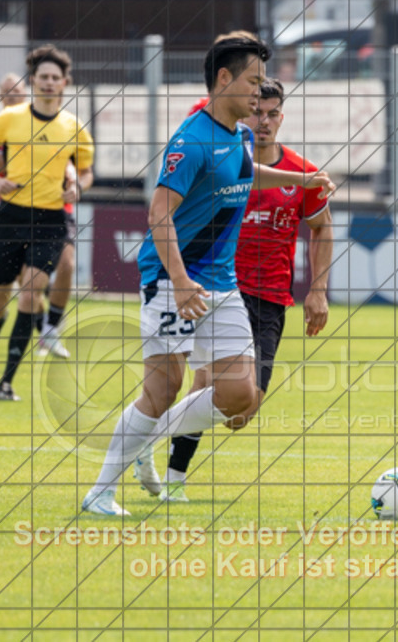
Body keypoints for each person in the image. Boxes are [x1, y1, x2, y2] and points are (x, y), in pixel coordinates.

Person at [81, 34, 336, 516]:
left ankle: (144, 442)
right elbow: (159, 213)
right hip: (174, 283)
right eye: (253, 83)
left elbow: (245, 173)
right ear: (224, 79)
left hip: (223, 285)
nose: (258, 95)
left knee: (241, 394)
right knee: (162, 390)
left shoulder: (238, 134)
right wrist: (178, 281)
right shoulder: (191, 140)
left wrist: (301, 181)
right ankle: (101, 492)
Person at [160, 78, 334, 502]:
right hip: (217, 289)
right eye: (258, 111)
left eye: (274, 114)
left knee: (244, 408)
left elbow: (322, 228)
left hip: (271, 299)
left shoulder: (300, 174)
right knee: (207, 383)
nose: (265, 121)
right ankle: (173, 481)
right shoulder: (218, 159)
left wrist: (318, 289)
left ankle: (150, 428)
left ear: (282, 117)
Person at [0, 45, 94, 401]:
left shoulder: (74, 127)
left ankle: (6, 382)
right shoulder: (9, 119)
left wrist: (77, 188)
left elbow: (86, 172)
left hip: (51, 218)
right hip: (11, 216)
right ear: (33, 82)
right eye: (44, 77)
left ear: (65, 83)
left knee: (30, 291)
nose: (50, 83)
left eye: (56, 78)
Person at [0, 72, 75, 360]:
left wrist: (73, 180)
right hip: (15, 216)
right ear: (0, 98)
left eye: (16, 91)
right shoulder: (2, 129)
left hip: (55, 210)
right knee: (17, 281)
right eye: (6, 93)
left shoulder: (46, 120)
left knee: (67, 263)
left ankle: (50, 328)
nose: (12, 96)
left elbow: (70, 159)